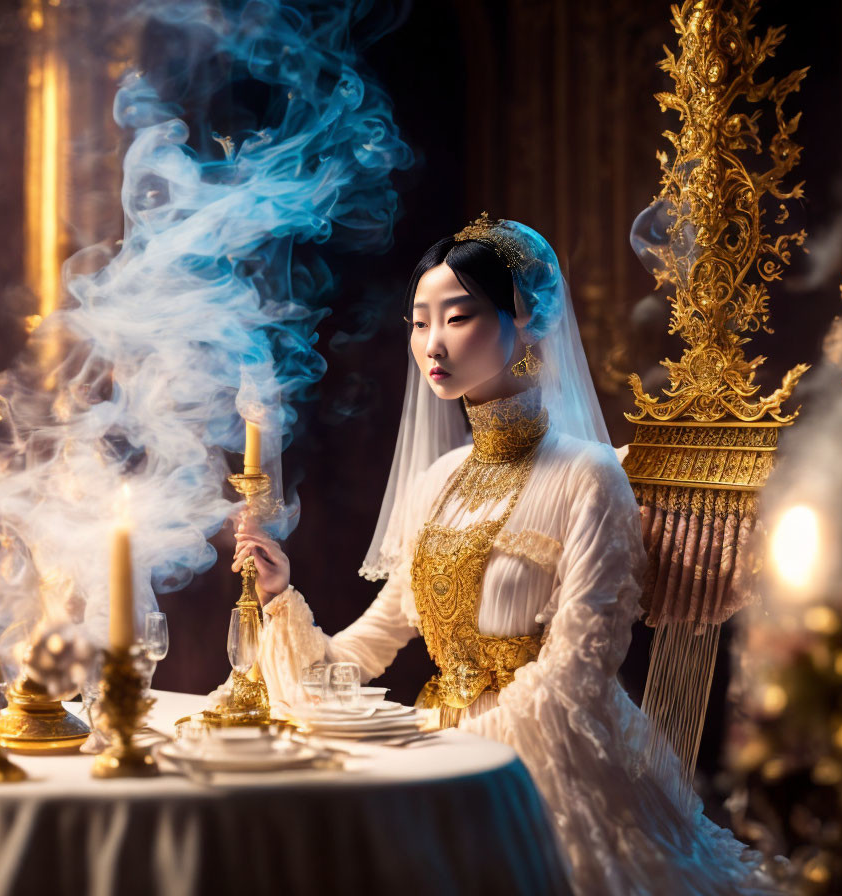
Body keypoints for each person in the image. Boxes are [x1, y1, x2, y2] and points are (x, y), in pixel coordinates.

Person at [233, 214, 773, 894]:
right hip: (440, 753)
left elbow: (576, 674)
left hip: (544, 773)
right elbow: (364, 650)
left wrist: (453, 759)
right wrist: (280, 598)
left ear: (528, 322)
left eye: (457, 317)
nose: (432, 343)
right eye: (419, 321)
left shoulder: (589, 474)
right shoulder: (437, 481)